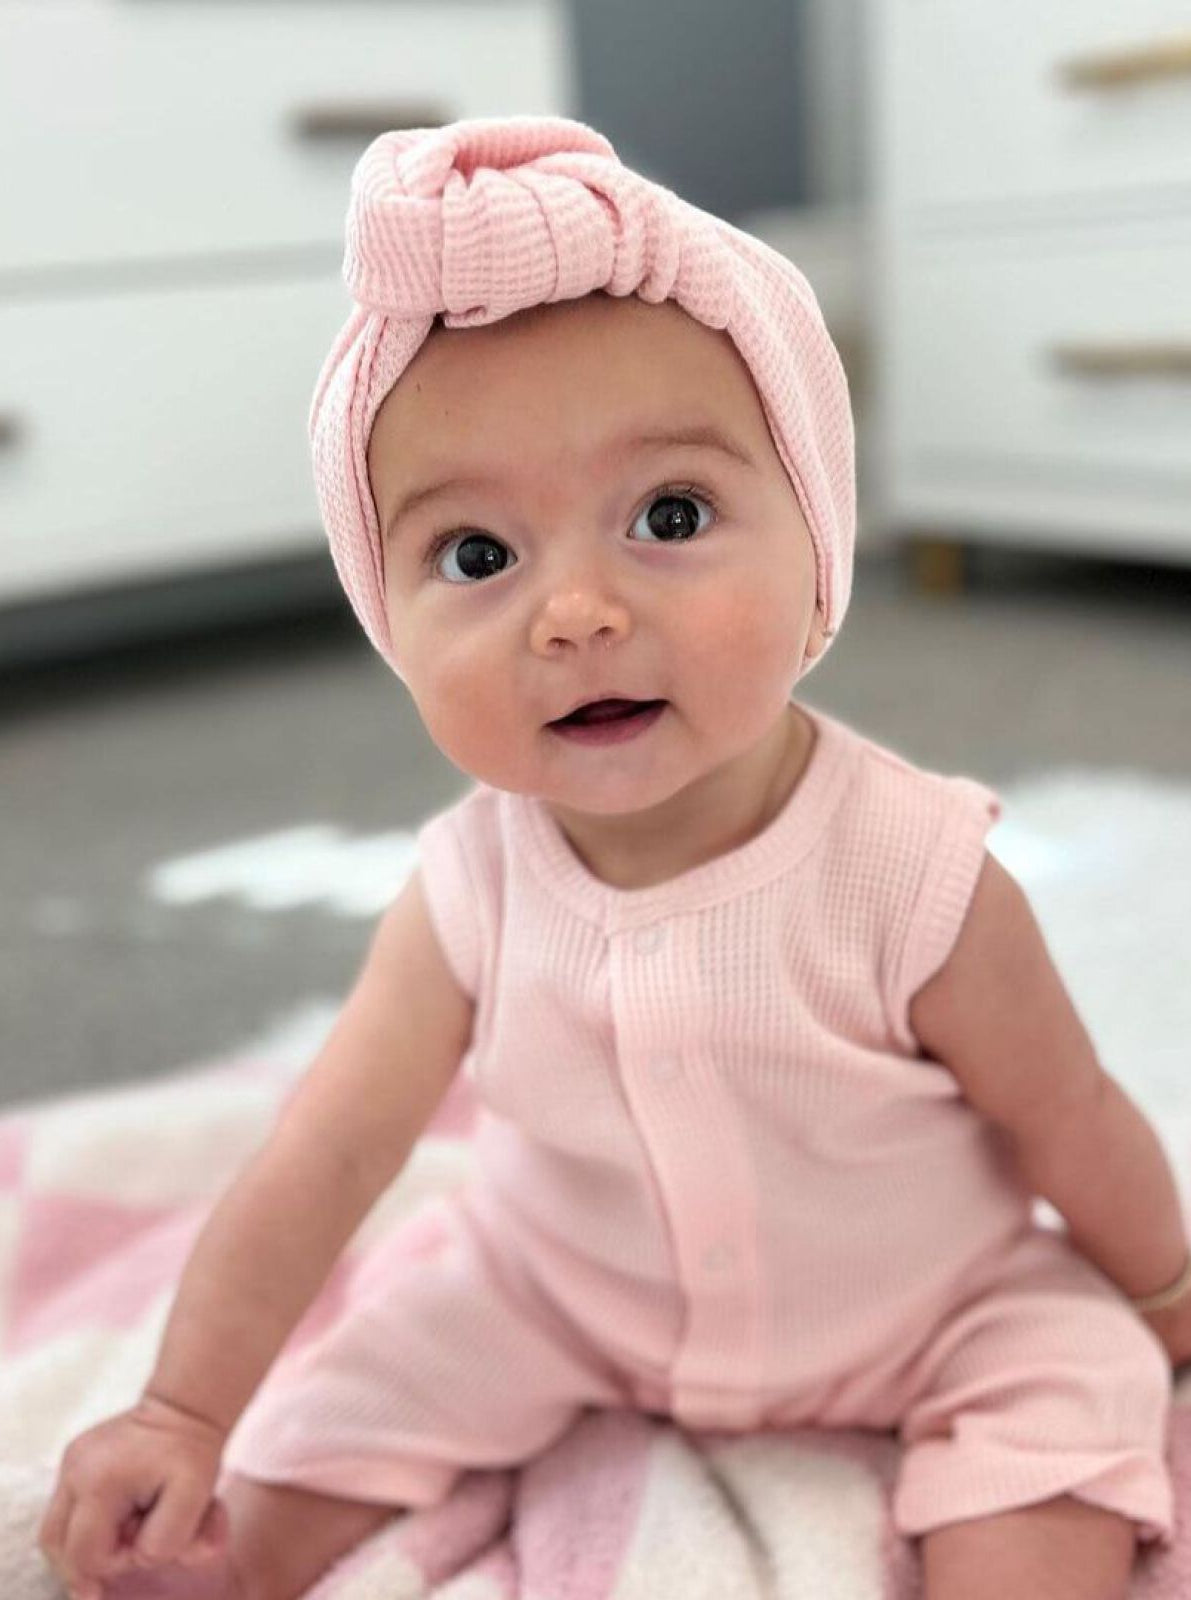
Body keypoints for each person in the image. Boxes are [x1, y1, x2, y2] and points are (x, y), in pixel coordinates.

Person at [37, 115, 1191, 1600]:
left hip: (934, 1302)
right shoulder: (466, 891)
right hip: (564, 1299)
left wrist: (1163, 1295)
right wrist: (184, 1408)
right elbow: (325, 1155)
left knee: (1063, 1387)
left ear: (819, 548)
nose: (573, 613)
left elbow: (1070, 1115)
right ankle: (233, 1558)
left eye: (669, 516)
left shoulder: (917, 873)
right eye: (475, 556)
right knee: (362, 1378)